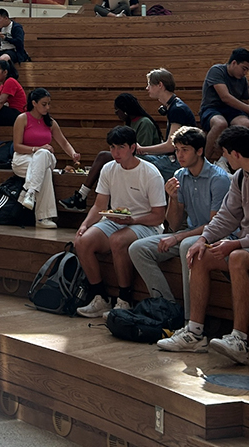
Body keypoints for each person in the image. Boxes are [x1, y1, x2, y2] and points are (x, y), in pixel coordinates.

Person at [157, 126, 249, 362]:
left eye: (226, 154)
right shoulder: (240, 177)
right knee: (198, 253)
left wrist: (235, 244)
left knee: (238, 258)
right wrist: (203, 239)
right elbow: (226, 217)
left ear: (235, 154)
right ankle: (195, 332)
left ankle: (239, 339)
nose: (225, 159)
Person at [129, 127, 230, 321]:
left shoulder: (219, 179)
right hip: (188, 232)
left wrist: (177, 237)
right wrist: (173, 198)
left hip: (215, 236)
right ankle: (166, 308)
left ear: (199, 151)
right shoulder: (180, 175)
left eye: (185, 149)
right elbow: (174, 224)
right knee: (137, 249)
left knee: (185, 245)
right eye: (177, 150)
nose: (179, 154)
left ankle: (190, 320)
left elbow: (214, 224)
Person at [74, 126, 167, 318]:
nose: (115, 153)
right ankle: (100, 297)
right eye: (112, 147)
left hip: (146, 224)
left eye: (121, 147)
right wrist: (85, 224)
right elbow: (99, 205)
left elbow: (158, 216)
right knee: (82, 241)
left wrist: (132, 219)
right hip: (116, 220)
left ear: (133, 147)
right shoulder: (108, 168)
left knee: (117, 240)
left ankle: (125, 299)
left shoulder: (150, 173)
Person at [62, 93, 162, 210]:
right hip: (131, 157)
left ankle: (81, 196)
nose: (116, 114)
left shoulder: (144, 123)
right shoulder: (131, 123)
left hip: (147, 160)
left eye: (117, 111)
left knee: (103, 156)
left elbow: (143, 149)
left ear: (124, 110)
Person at [11, 89, 80, 227]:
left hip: (44, 158)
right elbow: (17, 146)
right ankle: (43, 218)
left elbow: (64, 142)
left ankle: (29, 192)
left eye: (49, 104)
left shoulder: (51, 122)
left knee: (45, 155)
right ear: (34, 103)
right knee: (45, 171)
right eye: (44, 104)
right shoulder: (22, 118)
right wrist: (38, 148)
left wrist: (73, 154)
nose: (47, 107)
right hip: (23, 158)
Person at [199, 47, 249, 161]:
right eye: (244, 68)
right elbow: (225, 97)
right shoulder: (217, 70)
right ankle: (203, 161)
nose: (245, 73)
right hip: (212, 109)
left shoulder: (243, 80)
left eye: (247, 70)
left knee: (246, 124)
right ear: (234, 63)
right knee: (220, 124)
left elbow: (244, 103)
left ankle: (226, 161)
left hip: (232, 111)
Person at [135, 67, 197, 182]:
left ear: (160, 85)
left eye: (149, 84)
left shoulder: (177, 109)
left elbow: (170, 145)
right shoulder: (173, 106)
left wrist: (142, 149)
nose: (147, 88)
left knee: (132, 160)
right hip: (175, 158)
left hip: (178, 162)